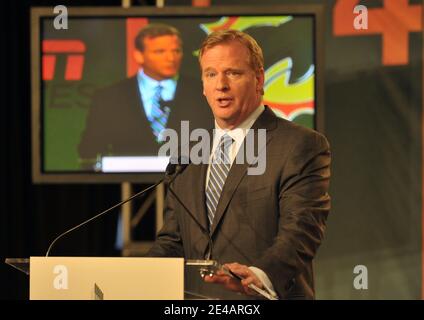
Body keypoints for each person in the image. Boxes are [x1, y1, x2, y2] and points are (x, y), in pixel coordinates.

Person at [146, 30, 331, 300]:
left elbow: (301, 229)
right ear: (203, 86)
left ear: (258, 80)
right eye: (211, 74)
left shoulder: (299, 145)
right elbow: (173, 241)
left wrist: (259, 274)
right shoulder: (187, 154)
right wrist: (136, 273)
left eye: (232, 73)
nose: (221, 84)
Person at [78, 23, 212, 168]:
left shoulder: (203, 92)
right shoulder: (109, 97)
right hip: (127, 185)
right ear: (139, 55)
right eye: (160, 52)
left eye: (176, 51)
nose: (171, 58)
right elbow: (89, 150)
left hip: (188, 184)